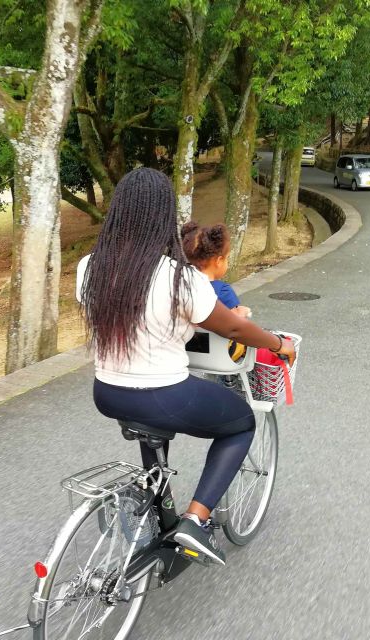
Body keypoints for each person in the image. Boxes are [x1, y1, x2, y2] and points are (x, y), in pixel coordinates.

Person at [76, 168, 294, 565]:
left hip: (106, 391)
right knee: (241, 422)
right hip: (163, 394)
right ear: (164, 216)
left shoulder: (90, 267)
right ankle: (195, 521)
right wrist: (277, 344)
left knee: (152, 434)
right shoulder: (178, 277)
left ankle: (160, 518)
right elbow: (231, 325)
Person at [181, 220, 251, 318]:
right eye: (227, 258)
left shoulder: (180, 282)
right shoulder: (222, 290)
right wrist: (243, 311)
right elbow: (235, 318)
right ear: (218, 261)